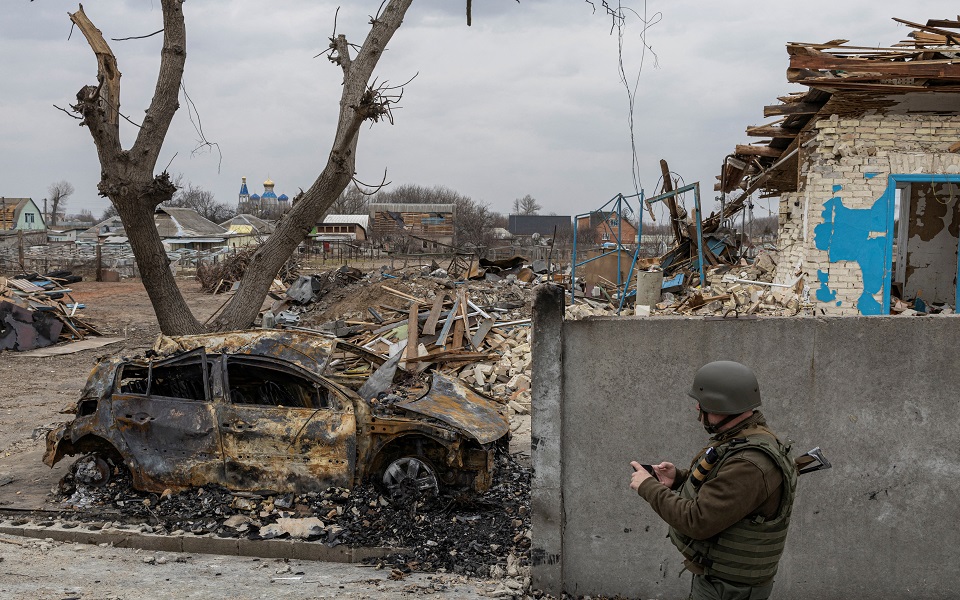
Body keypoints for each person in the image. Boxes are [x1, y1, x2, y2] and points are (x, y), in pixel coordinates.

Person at [629, 360, 798, 600]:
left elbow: (696, 520)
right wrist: (678, 478)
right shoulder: (746, 437)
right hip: (723, 581)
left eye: (703, 403)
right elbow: (724, 487)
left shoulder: (749, 464)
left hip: (727, 589)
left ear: (723, 405)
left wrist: (648, 487)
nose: (697, 409)